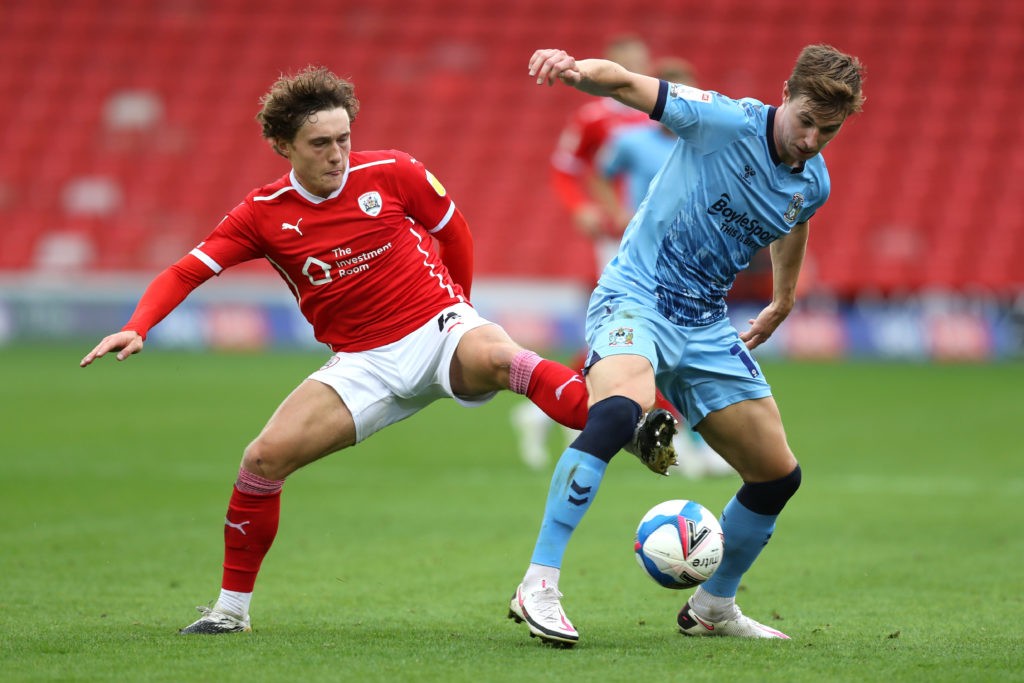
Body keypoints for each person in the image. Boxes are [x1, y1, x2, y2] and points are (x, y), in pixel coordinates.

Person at [79, 65, 671, 635]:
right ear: (284, 145)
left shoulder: (392, 171)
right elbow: (187, 271)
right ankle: (230, 611)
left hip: (440, 328)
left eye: (343, 138)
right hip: (364, 364)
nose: (336, 153)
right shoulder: (261, 215)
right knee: (262, 461)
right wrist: (141, 324)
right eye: (319, 143)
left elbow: (454, 232)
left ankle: (635, 424)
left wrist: (459, 309)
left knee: (501, 357)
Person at [509, 44, 865, 646]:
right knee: (617, 413)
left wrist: (783, 298)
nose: (811, 139)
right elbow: (625, 84)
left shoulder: (816, 180)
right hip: (638, 297)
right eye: (805, 120)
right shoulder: (723, 120)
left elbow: (795, 218)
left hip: (705, 324)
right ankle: (538, 583)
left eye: (827, 130)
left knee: (776, 475)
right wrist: (574, 69)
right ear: (785, 93)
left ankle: (713, 606)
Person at [511, 35, 677, 473]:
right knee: (625, 327)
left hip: (661, 239)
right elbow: (567, 171)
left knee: (627, 332)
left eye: (642, 63)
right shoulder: (596, 117)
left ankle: (551, 410)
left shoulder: (659, 111)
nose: (634, 70)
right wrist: (585, 208)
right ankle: (667, 429)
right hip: (620, 238)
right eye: (626, 63)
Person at [594, 56, 734, 479]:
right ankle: (693, 445)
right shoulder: (632, 140)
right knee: (648, 357)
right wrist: (614, 211)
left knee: (626, 356)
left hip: (689, 267)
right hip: (641, 264)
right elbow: (598, 173)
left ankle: (553, 409)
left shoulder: (710, 142)